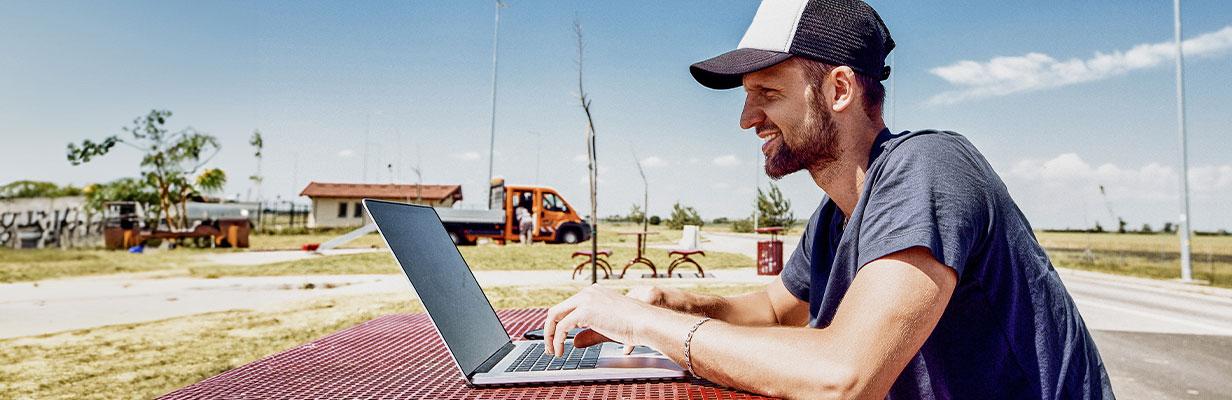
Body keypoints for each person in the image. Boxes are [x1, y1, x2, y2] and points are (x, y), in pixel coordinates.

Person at [541, 1, 1114, 399]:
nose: (747, 118)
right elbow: (770, 312)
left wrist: (643, 325)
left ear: (839, 89)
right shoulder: (841, 210)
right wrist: (674, 301)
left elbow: (842, 379)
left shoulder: (929, 168)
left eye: (767, 92)